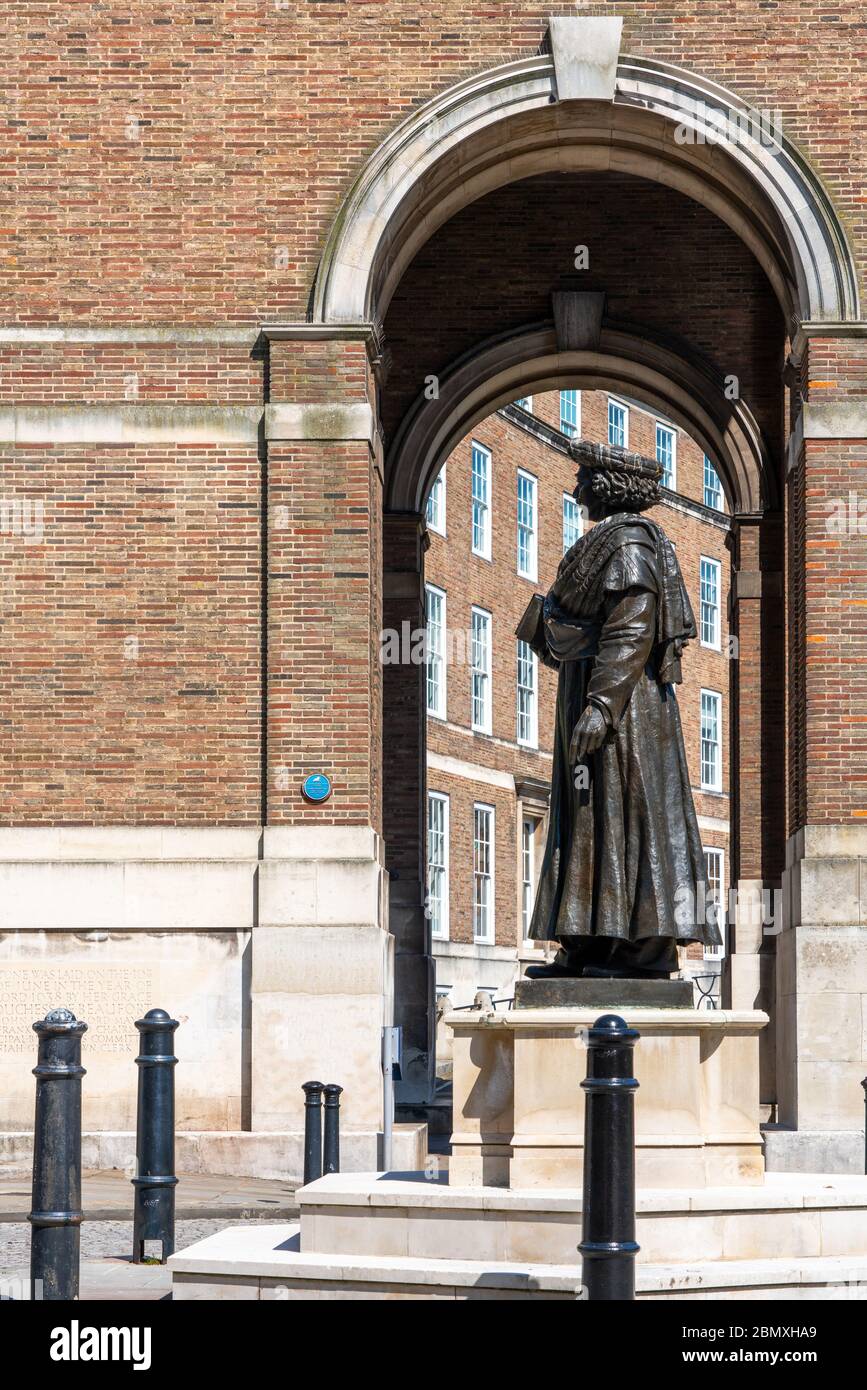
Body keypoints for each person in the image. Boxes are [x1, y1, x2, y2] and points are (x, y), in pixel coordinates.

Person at [518, 438, 721, 978]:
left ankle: (640, 951)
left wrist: (602, 707)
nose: (578, 485)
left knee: (629, 814)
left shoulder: (630, 546)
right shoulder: (604, 543)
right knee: (586, 815)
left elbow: (631, 631)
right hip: (595, 693)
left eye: (586, 477)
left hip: (627, 711)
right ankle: (588, 941)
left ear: (609, 486)